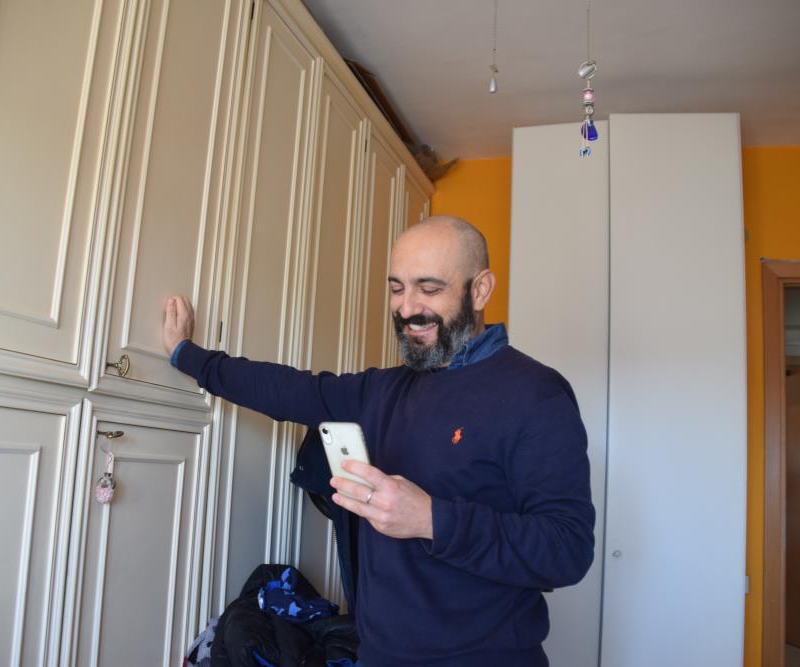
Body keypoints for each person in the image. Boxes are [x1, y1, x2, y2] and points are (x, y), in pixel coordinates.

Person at [164, 216, 595, 667]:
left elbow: (567, 550)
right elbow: (288, 389)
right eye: (397, 288)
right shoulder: (383, 390)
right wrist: (187, 356)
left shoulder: (534, 393)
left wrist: (431, 519)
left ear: (480, 290)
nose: (407, 308)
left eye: (429, 289)